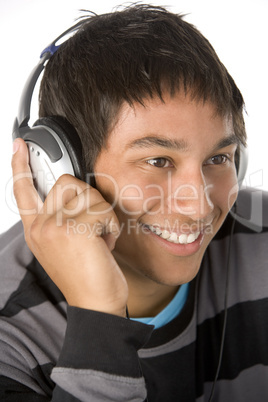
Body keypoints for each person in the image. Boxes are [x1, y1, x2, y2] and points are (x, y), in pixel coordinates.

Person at [0, 4, 267, 401]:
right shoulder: (10, 342)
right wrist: (98, 316)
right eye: (157, 161)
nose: (198, 207)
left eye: (218, 158)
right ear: (58, 173)